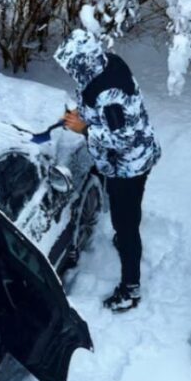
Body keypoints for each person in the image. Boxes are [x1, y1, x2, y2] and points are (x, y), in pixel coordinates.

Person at [54, 29, 161, 312]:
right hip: (128, 160)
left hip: (129, 167)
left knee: (126, 224)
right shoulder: (105, 64)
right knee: (125, 213)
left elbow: (122, 138)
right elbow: (99, 108)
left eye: (71, 68)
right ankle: (125, 237)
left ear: (83, 64)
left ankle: (130, 289)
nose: (70, 73)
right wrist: (81, 115)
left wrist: (85, 128)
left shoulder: (110, 95)